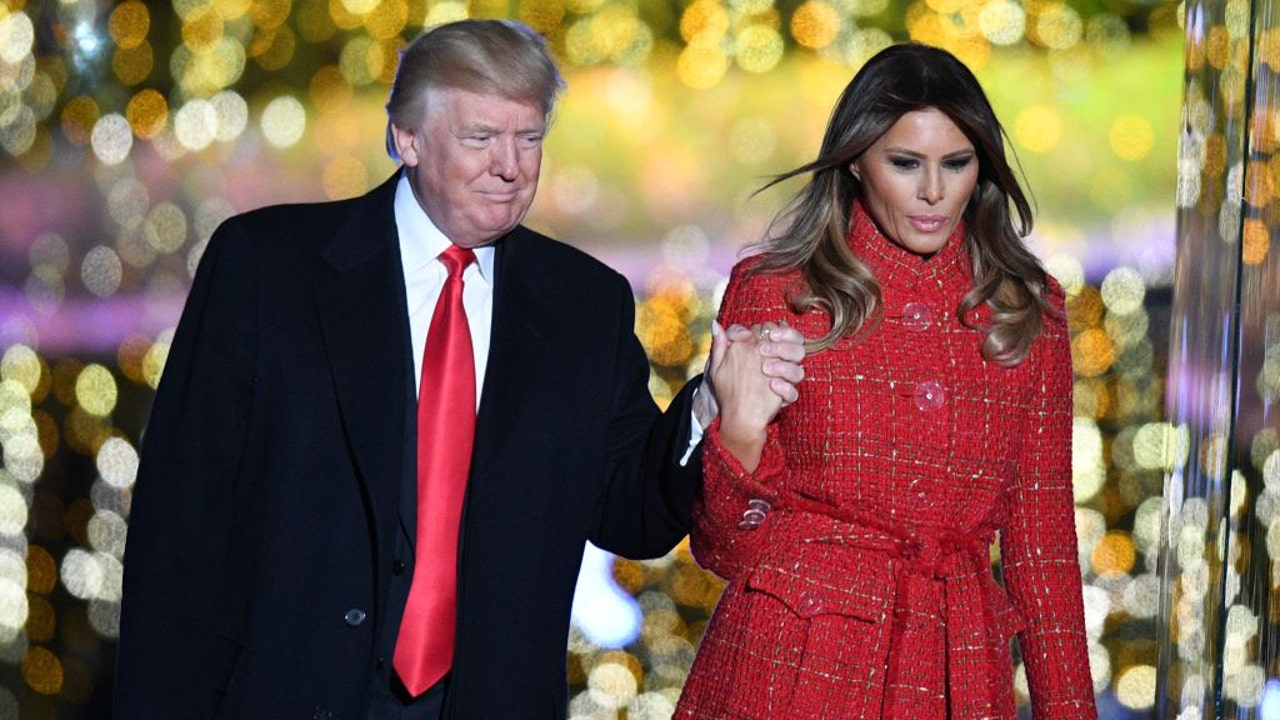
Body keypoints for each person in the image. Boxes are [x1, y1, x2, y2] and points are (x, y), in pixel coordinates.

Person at [112, 19, 805, 720]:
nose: (511, 166)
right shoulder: (267, 268)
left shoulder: (582, 305)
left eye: (529, 138)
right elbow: (180, 526)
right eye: (481, 138)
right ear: (406, 138)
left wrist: (706, 406)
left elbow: (632, 514)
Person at [674, 43, 1097, 719]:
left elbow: (1042, 546)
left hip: (957, 669)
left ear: (981, 166)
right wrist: (742, 433)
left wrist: (1070, 711)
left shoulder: (1029, 309)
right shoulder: (776, 292)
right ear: (856, 161)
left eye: (956, 164)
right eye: (905, 164)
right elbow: (724, 548)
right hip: (795, 663)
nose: (934, 192)